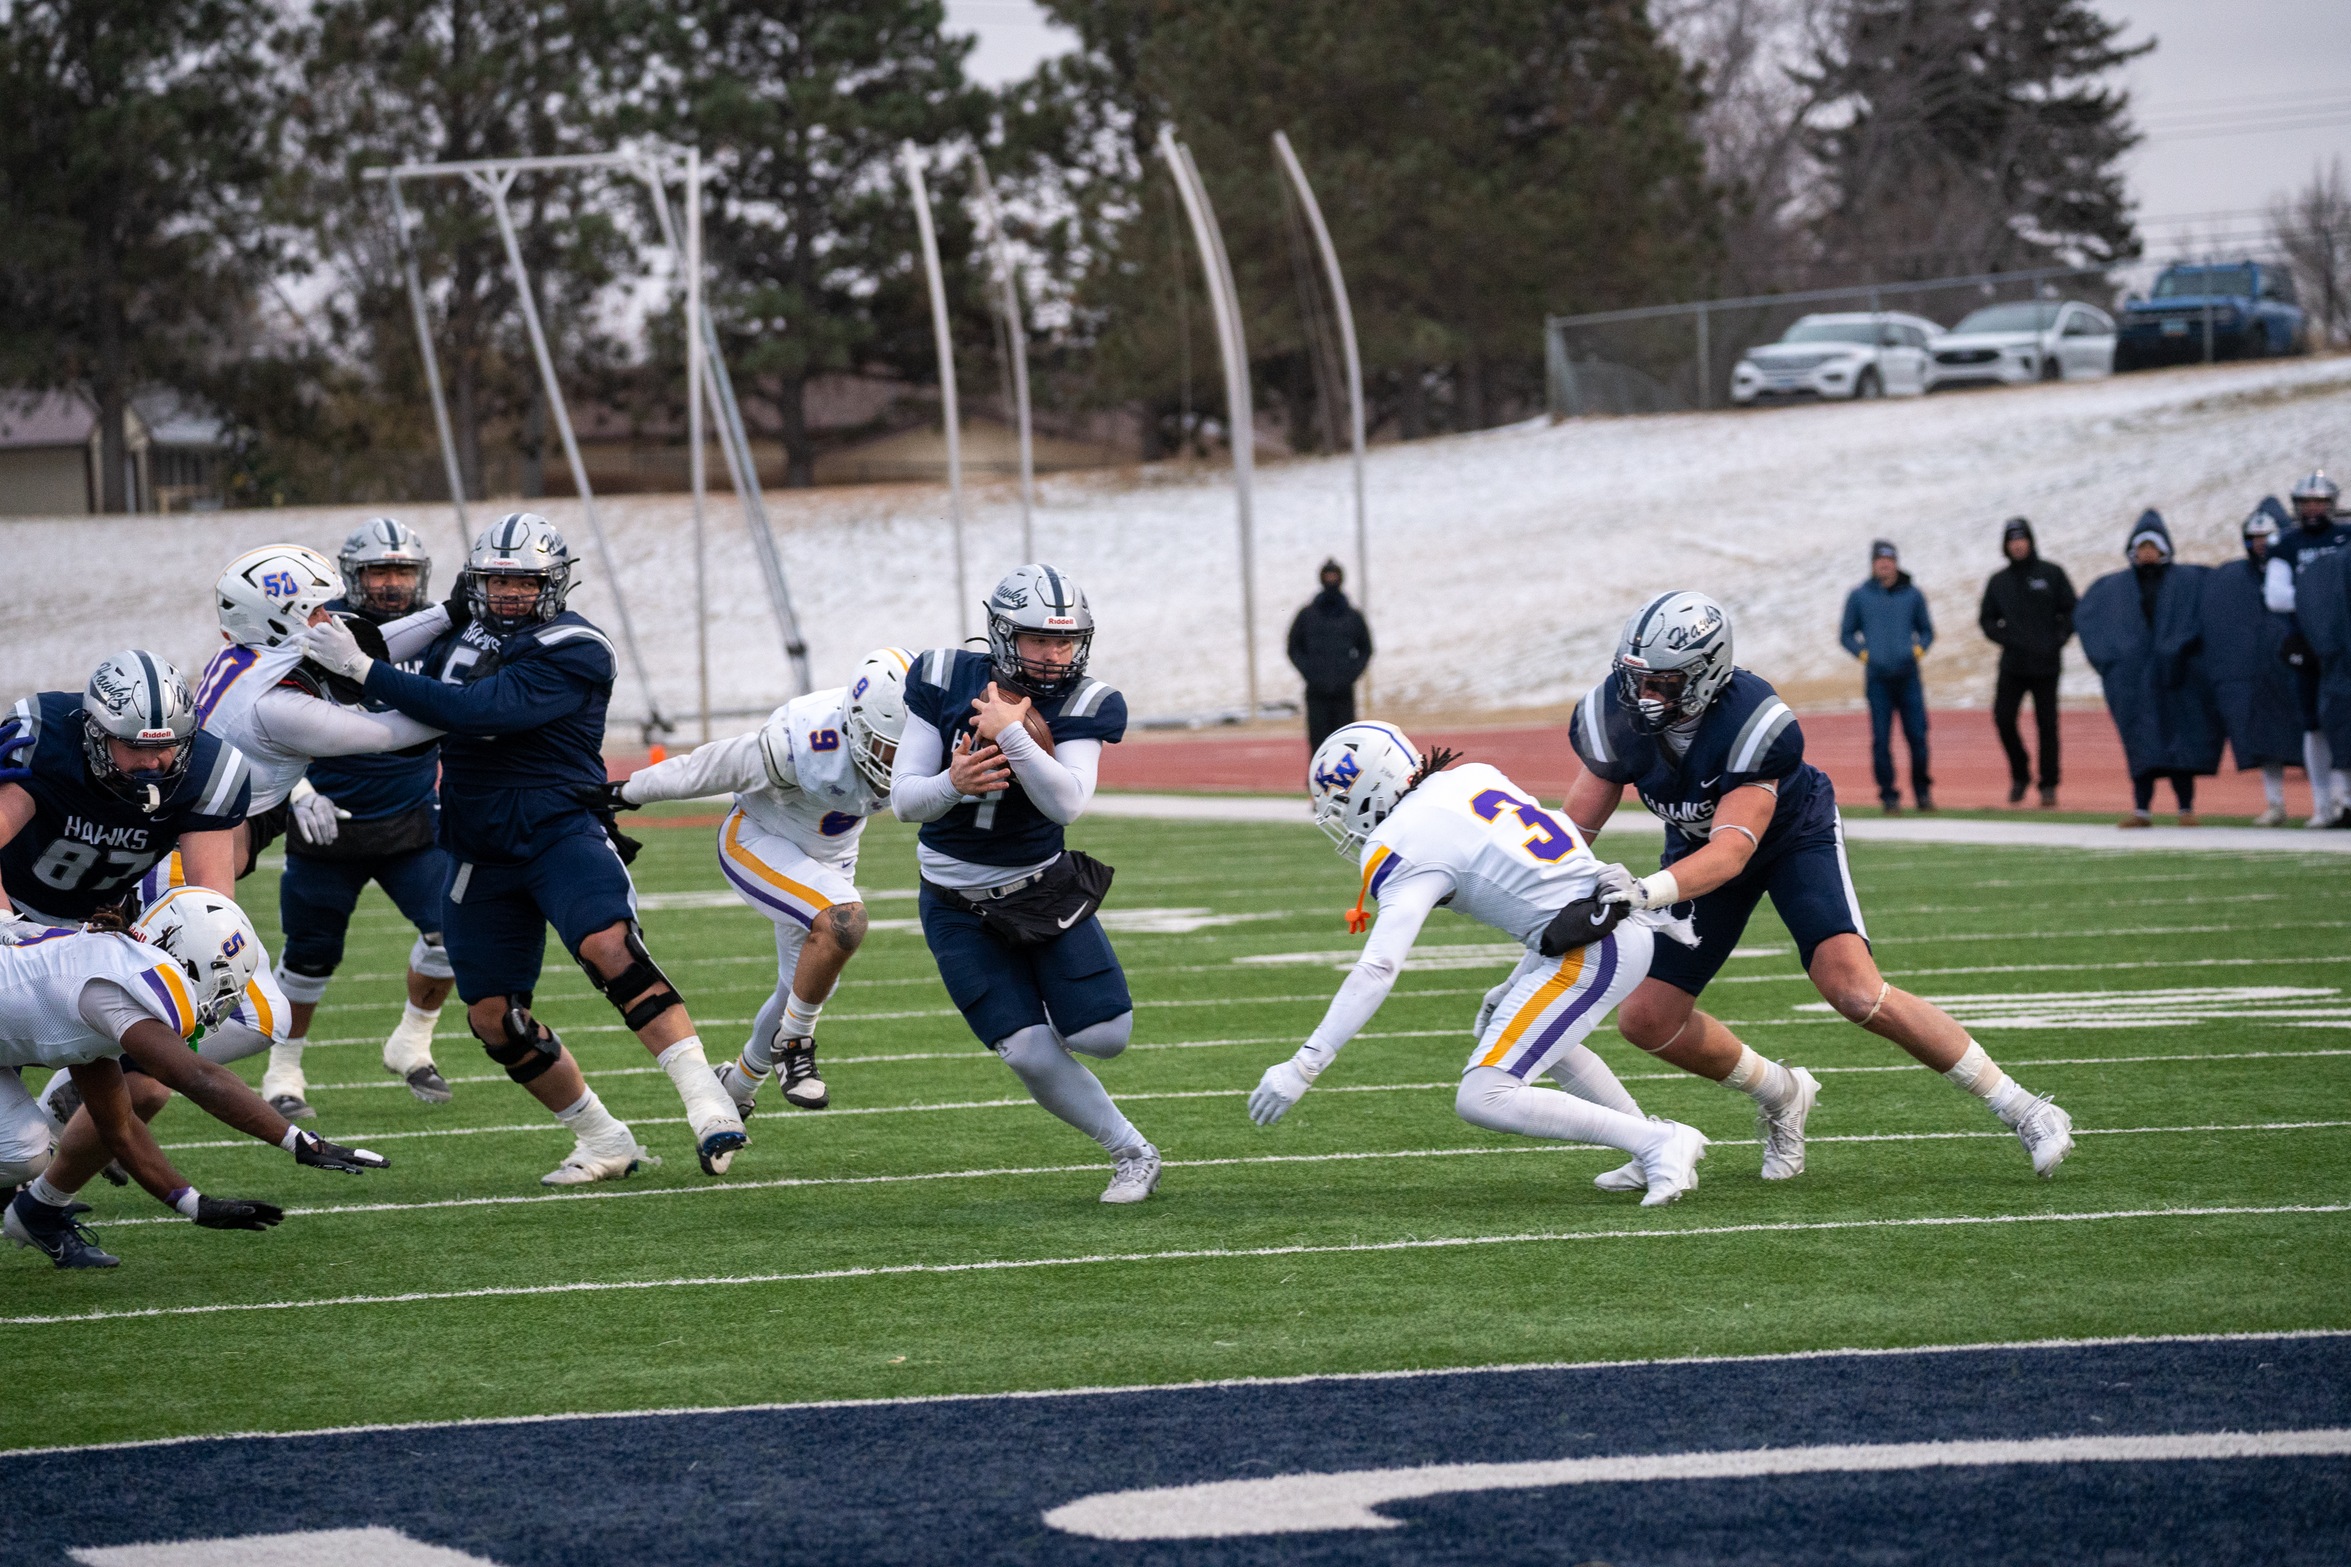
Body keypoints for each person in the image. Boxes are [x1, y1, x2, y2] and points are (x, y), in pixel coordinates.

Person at [1561, 590, 2076, 1182]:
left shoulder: (1753, 720)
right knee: (1647, 1019)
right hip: (1695, 852)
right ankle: (1781, 1093)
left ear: (1705, 677)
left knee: (1854, 991)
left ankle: (2028, 1109)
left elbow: (1731, 852)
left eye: (1664, 684)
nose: (1643, 698)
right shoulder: (1614, 717)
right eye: (1637, 680)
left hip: (1787, 838)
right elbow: (1575, 832)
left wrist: (1644, 894)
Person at [302, 513, 749, 1186]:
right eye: (496, 580)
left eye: (524, 581)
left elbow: (481, 711)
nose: (509, 593)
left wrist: (366, 669)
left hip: (556, 828)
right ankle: (603, 1138)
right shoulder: (455, 627)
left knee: (609, 949)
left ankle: (704, 1098)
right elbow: (386, 665)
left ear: (554, 583)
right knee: (493, 1019)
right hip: (476, 844)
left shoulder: (577, 644)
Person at [1247, 722, 1710, 1206]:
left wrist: (1306, 1063)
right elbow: (1552, 876)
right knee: (1502, 1015)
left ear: (1367, 790)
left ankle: (1659, 1142)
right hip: (1606, 916)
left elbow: (1379, 968)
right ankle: (1646, 1144)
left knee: (1484, 1095)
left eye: (1341, 806)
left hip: (1594, 947)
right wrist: (1517, 979)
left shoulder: (1401, 844)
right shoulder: (1471, 777)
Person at [892, 564, 1160, 1203]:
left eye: (1065, 641)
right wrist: (952, 784)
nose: (1053, 654)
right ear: (1004, 632)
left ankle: (1047, 1002)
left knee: (1105, 1037)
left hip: (1040, 887)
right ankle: (1132, 1152)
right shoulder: (942, 674)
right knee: (1028, 1052)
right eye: (1038, 639)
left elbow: (1066, 804)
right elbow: (905, 801)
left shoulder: (1087, 701)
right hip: (954, 901)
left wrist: (1011, 732)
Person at [189, 542, 450, 1117]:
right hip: (203, 838)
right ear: (281, 618)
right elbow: (384, 734)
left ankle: (104, 1094)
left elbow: (373, 645)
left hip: (229, 820)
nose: (329, 620)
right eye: (315, 610)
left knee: (202, 1003)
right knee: (229, 1006)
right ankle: (111, 1083)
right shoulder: (271, 700)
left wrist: (457, 610)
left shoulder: (259, 651)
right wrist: (482, 707)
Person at [2, 888, 385, 1269]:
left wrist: (192, 1203)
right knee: (24, 1153)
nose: (219, 1004)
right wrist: (298, 1142)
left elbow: (118, 1127)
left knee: (23, 1148)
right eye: (224, 989)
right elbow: (196, 1076)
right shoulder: (124, 984)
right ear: (195, 963)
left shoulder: (104, 980)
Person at [606, 646, 913, 1115]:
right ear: (856, 724)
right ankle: (795, 1047)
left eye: (910, 748)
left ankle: (738, 1085)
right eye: (889, 746)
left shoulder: (929, 736)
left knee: (806, 987)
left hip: (829, 861)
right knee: (843, 921)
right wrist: (627, 792)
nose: (899, 760)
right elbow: (710, 767)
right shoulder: (806, 740)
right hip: (757, 839)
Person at [276, 519, 460, 1104]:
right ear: (353, 576)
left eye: (402, 571)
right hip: (325, 820)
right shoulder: (316, 629)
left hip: (411, 820)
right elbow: (258, 719)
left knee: (452, 934)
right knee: (310, 956)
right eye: (379, 571)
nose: (391, 584)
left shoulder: (439, 632)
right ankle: (283, 1071)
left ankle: (412, 1042)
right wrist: (298, 792)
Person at [2077, 511, 2224, 828]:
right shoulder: (2115, 588)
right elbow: (2094, 624)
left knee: (2180, 744)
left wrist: (2180, 650)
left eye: (2152, 547)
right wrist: (2117, 661)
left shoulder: (2186, 582)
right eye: (2141, 547)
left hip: (2178, 678)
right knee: (2142, 744)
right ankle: (2142, 809)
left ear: (2163, 550)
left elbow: (2211, 612)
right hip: (2136, 681)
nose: (2147, 553)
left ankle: (2186, 809)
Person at [2201, 502, 2308, 826]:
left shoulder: (2302, 568)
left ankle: (2332, 802)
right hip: (2256, 671)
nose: (2261, 543)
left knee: (2318, 733)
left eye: (2267, 536)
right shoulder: (2231, 576)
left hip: (2297, 664)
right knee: (2264, 742)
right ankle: (2275, 804)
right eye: (2255, 536)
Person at [2264, 471, 2351, 826]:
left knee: (2346, 720)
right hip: (2309, 643)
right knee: (2314, 724)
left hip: (2345, 642)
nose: (2313, 508)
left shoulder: (2346, 536)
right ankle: (2321, 804)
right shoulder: (2286, 543)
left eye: (2319, 502)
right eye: (2306, 502)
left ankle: (2346, 799)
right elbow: (2276, 596)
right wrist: (2324, 598)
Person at [1977, 517, 2076, 807]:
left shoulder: (2052, 573)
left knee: (2047, 726)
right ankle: (2020, 774)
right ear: (2006, 546)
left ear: (2031, 542)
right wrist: (2007, 638)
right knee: (2003, 719)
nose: (2018, 545)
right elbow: (1987, 620)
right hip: (2013, 664)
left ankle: (2048, 785)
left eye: (2022, 539)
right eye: (2012, 540)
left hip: (2047, 664)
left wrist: (2056, 639)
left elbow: (2071, 610)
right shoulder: (1999, 581)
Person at [1839, 540, 1935, 813]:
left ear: (1896, 562)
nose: (1885, 564)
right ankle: (1889, 796)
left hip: (1909, 677)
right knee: (1881, 740)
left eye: (1889, 559)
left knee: (1917, 736)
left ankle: (1923, 793)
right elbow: (1846, 634)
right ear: (1872, 564)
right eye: (1880, 560)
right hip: (1878, 679)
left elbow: (1927, 631)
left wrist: (1916, 651)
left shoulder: (1913, 595)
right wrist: (1865, 655)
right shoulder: (1859, 596)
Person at [1286, 559, 1373, 748]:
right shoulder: (1307, 615)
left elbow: (1366, 648)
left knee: (1345, 743)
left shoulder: (1352, 616)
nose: (1331, 580)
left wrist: (1350, 674)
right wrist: (1309, 672)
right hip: (1316, 692)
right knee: (1319, 743)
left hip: (1343, 693)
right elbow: (1293, 647)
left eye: (1334, 576)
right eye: (1327, 576)